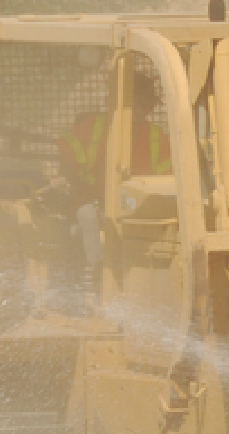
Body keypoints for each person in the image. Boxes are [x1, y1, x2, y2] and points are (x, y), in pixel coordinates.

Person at [55, 74, 172, 294]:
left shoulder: (155, 135)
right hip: (94, 200)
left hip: (135, 206)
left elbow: (168, 178)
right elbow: (67, 154)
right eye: (138, 103)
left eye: (146, 104)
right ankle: (97, 271)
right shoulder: (92, 125)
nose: (142, 110)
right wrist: (70, 181)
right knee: (87, 215)